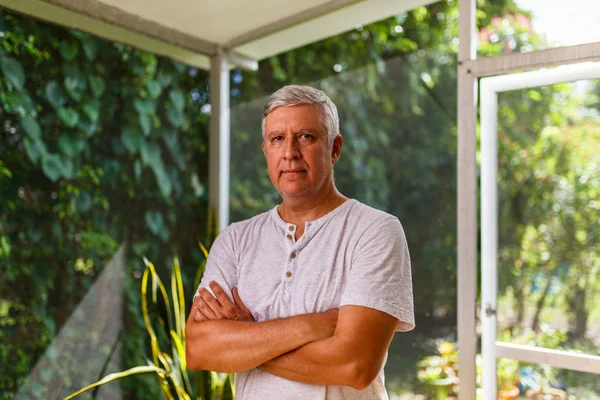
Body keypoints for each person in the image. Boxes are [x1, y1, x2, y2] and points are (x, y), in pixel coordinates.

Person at [185, 85, 414, 400]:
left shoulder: (375, 231)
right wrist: (316, 325)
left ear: (334, 148)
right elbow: (199, 349)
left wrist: (246, 338)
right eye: (277, 139)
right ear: (266, 150)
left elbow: (355, 366)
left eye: (306, 137)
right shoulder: (235, 240)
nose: (290, 152)